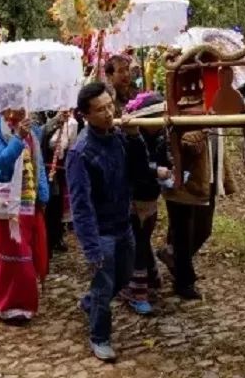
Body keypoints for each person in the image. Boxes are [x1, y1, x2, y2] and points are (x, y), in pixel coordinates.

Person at [66, 82, 149, 362]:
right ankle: (100, 336)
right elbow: (81, 204)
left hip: (123, 223)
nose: (108, 113)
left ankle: (89, 302)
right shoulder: (80, 152)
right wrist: (91, 248)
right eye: (100, 110)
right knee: (104, 285)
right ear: (85, 116)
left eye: (110, 106)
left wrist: (136, 137)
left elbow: (139, 171)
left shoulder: (119, 137)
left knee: (124, 276)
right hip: (101, 232)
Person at [0, 86, 50, 323]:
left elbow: (38, 161)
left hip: (30, 201)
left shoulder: (33, 128)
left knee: (29, 253)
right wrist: (18, 138)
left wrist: (43, 194)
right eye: (16, 102)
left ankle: (5, 287)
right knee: (16, 256)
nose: (21, 107)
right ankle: (13, 306)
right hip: (6, 204)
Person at [157, 129, 228, 301]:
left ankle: (171, 255)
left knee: (203, 229)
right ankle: (184, 281)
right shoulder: (180, 107)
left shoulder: (213, 108)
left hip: (205, 178)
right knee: (183, 233)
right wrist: (202, 130)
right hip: (183, 179)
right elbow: (182, 144)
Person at [119, 92, 168, 316]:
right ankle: (135, 291)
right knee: (137, 244)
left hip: (150, 197)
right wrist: (154, 171)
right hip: (133, 198)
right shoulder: (129, 138)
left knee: (143, 240)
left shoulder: (161, 136)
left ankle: (149, 277)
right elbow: (135, 169)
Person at [41, 110, 80, 256]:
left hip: (57, 168)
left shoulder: (69, 120)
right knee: (49, 205)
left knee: (56, 205)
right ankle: (46, 242)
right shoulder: (35, 116)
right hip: (44, 166)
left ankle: (55, 237)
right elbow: (41, 135)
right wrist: (55, 122)